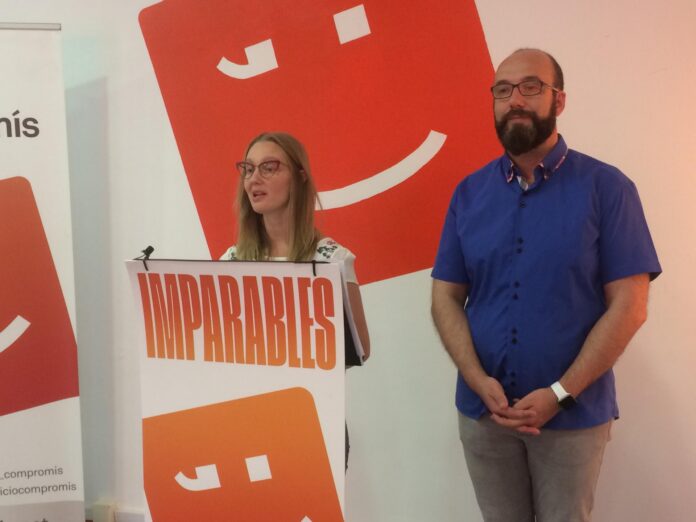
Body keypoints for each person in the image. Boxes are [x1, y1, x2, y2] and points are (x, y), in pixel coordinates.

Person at [431, 48, 661, 522]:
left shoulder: (608, 188)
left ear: (559, 100)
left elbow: (630, 304)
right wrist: (476, 380)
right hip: (485, 415)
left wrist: (560, 393)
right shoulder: (468, 194)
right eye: (503, 90)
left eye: (531, 86)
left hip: (573, 417)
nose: (515, 99)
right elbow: (445, 298)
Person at [220, 131, 370, 468]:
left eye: (269, 167)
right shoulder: (231, 261)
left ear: (300, 177)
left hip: (315, 422)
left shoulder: (331, 258)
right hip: (247, 423)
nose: (254, 179)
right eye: (248, 169)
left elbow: (360, 348)